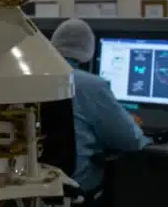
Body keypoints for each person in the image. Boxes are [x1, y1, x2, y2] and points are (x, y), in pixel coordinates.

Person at [50, 18, 148, 197]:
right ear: (87, 53)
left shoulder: (32, 80)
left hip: (36, 188)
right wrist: (131, 123)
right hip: (76, 189)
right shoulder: (91, 85)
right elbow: (130, 140)